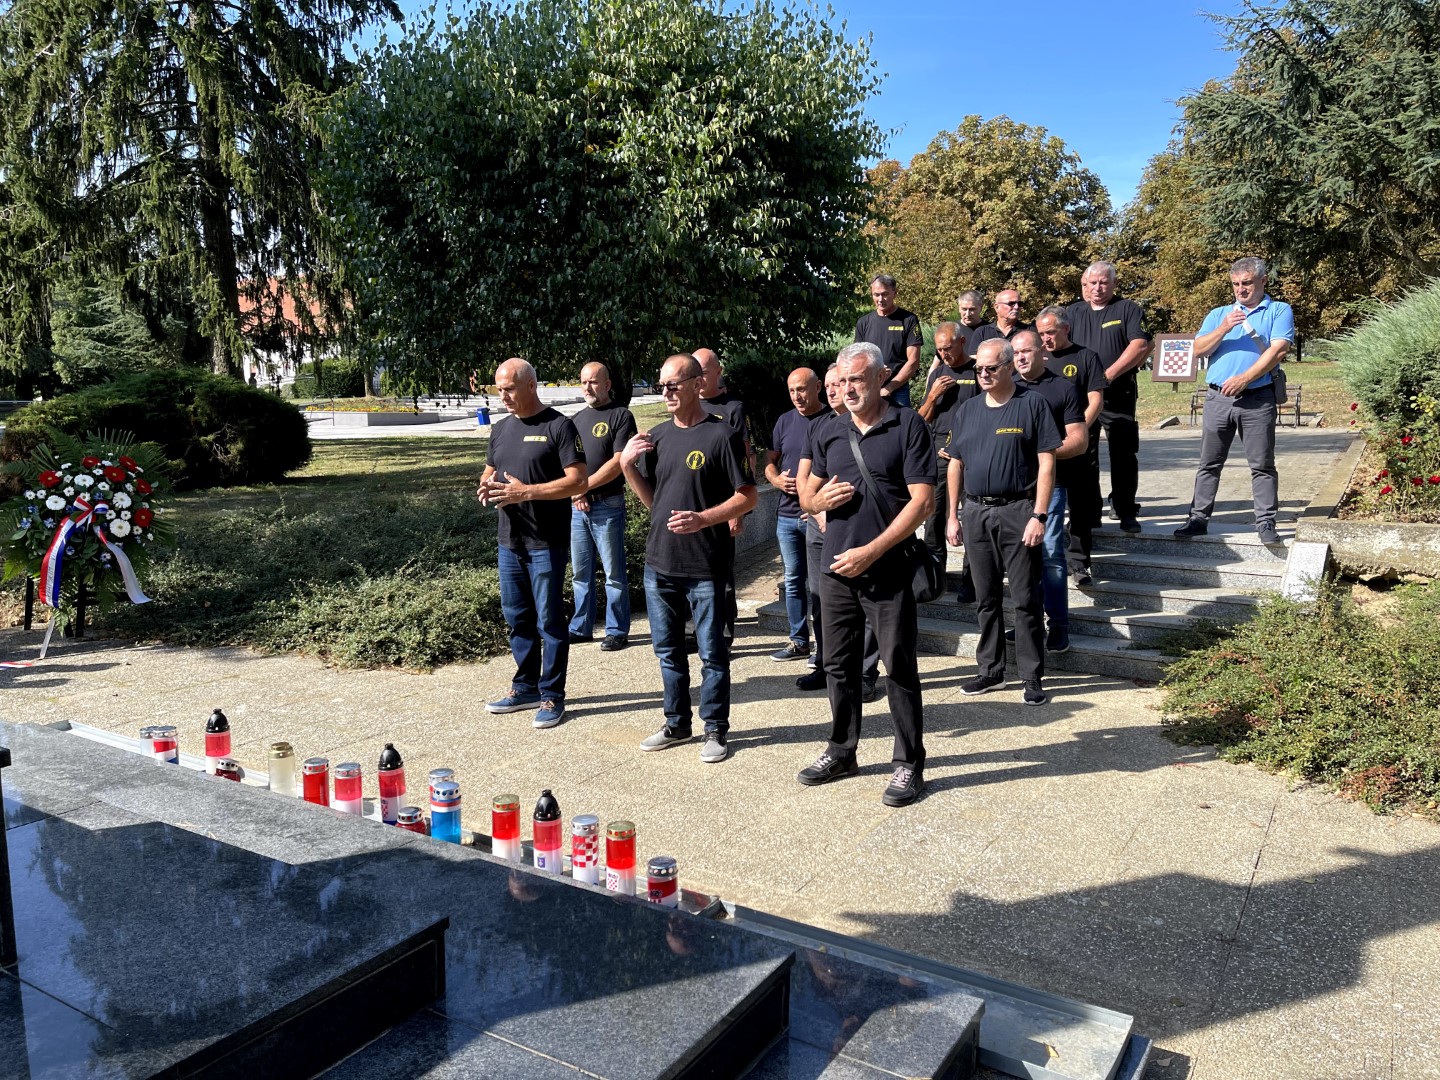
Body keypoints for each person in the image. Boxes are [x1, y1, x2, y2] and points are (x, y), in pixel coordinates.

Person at [797, 342, 933, 807]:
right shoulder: (829, 430)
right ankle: (842, 751)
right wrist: (816, 502)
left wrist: (871, 552)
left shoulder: (908, 425)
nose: (848, 389)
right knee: (838, 664)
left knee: (898, 665)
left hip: (887, 568)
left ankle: (909, 762)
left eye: (857, 379)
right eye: (842, 381)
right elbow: (807, 495)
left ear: (881, 377)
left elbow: (922, 502)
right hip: (835, 568)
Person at [621, 353, 757, 763]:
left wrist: (703, 519)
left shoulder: (723, 436)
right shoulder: (657, 437)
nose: (665, 392)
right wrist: (628, 467)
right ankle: (677, 723)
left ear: (698, 385)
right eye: (661, 385)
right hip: (659, 564)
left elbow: (747, 496)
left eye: (673, 385)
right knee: (668, 652)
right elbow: (656, 503)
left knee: (713, 654)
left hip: (706, 565)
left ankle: (715, 729)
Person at [945, 340, 1061, 705]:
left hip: (1018, 511)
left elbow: (1047, 463)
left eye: (991, 368)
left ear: (1009, 366)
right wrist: (952, 515)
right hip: (976, 513)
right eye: (978, 369)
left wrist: (1039, 515)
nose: (983, 374)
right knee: (986, 598)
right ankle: (991, 671)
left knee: (1026, 599)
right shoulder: (968, 409)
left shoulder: (1032, 404)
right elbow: (955, 463)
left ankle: (1031, 676)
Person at [478, 358, 588, 729]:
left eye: (509, 388)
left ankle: (552, 694)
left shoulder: (559, 426)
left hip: (545, 542)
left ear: (530, 385)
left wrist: (527, 492)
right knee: (517, 619)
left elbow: (578, 481)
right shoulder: (501, 429)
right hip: (509, 541)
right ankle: (524, 687)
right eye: (499, 389)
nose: (503, 396)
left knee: (549, 622)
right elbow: (490, 470)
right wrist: (486, 485)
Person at [1174, 258, 1294, 545]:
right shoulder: (1219, 314)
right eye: (1236, 284)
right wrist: (1224, 328)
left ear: (1263, 281)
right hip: (1217, 399)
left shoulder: (1278, 310)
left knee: (1262, 464)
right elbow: (1197, 350)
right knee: (1208, 463)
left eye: (1247, 283)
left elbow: (1278, 350)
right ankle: (1198, 519)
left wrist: (1245, 378)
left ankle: (1265, 522)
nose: (1241, 289)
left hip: (1257, 398)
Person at [795, 365, 882, 699]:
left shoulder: (874, 425)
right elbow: (804, 480)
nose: (834, 390)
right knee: (822, 600)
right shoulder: (819, 427)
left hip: (862, 530)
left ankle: (865, 672)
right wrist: (817, 510)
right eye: (830, 385)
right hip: (821, 529)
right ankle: (826, 664)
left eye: (840, 383)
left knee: (868, 603)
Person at [1011, 331, 1088, 653]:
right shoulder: (1007, 388)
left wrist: (1040, 454)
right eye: (1015, 352)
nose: (1020, 357)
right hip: (1011, 488)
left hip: (1051, 486)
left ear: (1042, 351)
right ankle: (1027, 622)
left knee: (1051, 553)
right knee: (1019, 558)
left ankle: (1058, 624)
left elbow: (1079, 441)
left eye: (1026, 351)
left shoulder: (1062, 388)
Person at [1065, 261, 1151, 534]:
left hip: (1118, 394)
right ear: (1084, 285)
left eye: (1103, 282)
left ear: (1114, 284)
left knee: (1123, 453)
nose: (1098, 288)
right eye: (1093, 283)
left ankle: (1125, 510)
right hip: (1082, 397)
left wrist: (1108, 375)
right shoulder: (1073, 313)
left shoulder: (1127, 308)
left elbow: (1140, 344)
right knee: (1083, 453)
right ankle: (1088, 513)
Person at [568, 361, 638, 651]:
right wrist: (576, 493)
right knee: (580, 573)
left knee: (613, 574)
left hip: (608, 504)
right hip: (578, 507)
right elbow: (568, 462)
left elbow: (619, 461)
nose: (588, 387)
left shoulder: (621, 416)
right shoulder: (574, 420)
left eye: (593, 382)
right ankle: (580, 627)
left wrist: (582, 487)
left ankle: (616, 630)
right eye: (584, 382)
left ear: (607, 385)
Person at [1035, 305, 1108, 585]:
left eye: (1050, 332)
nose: (1046, 339)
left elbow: (1095, 400)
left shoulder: (1086, 357)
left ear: (1066, 329)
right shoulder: (1037, 359)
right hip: (1043, 449)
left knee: (1080, 507)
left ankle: (1079, 564)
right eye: (1041, 334)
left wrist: (1077, 433)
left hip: (1076, 447)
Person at [764, 367, 828, 663]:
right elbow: (769, 460)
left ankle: (825, 648)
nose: (797, 396)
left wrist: (815, 505)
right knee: (793, 580)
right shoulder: (784, 421)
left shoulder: (832, 419)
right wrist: (775, 479)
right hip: (786, 516)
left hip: (818, 517)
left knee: (820, 584)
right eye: (792, 391)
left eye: (801, 389)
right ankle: (799, 642)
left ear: (818, 387)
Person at [916, 321, 980, 601]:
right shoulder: (938, 374)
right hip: (940, 452)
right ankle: (934, 579)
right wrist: (932, 395)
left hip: (973, 453)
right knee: (934, 518)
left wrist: (961, 448)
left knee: (973, 519)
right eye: (940, 350)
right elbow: (921, 420)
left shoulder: (978, 371)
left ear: (962, 342)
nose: (944, 354)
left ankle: (971, 583)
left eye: (948, 348)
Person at [694, 347, 751, 643]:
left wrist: (737, 512)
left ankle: (724, 634)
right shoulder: (689, 407)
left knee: (722, 574)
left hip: (724, 505)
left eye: (704, 372)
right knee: (692, 572)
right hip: (693, 504)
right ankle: (693, 631)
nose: (699, 379)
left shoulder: (733, 408)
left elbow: (746, 459)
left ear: (718, 372)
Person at [854, 274, 923, 407]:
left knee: (901, 420)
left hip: (898, 389)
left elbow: (914, 361)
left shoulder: (908, 320)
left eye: (885, 294)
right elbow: (858, 358)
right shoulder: (863, 322)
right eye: (876, 295)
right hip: (869, 387)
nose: (880, 299)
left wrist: (890, 387)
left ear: (894, 293)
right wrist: (875, 369)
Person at [966, 288, 1032, 356]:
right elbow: (974, 357)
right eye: (1011, 304)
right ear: (997, 307)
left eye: (1019, 304)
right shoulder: (982, 332)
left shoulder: (1029, 332)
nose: (1016, 307)